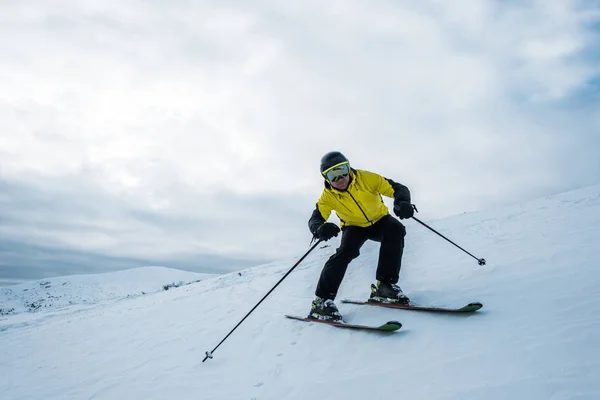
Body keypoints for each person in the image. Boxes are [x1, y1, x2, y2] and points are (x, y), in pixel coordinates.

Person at [307, 151, 415, 321]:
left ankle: (385, 285)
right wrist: (320, 228)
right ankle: (322, 301)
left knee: (396, 229)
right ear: (326, 178)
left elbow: (398, 188)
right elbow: (316, 218)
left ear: (349, 168)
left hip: (379, 220)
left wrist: (403, 202)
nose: (340, 178)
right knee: (344, 254)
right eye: (332, 175)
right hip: (353, 226)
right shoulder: (327, 197)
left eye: (342, 171)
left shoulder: (367, 178)